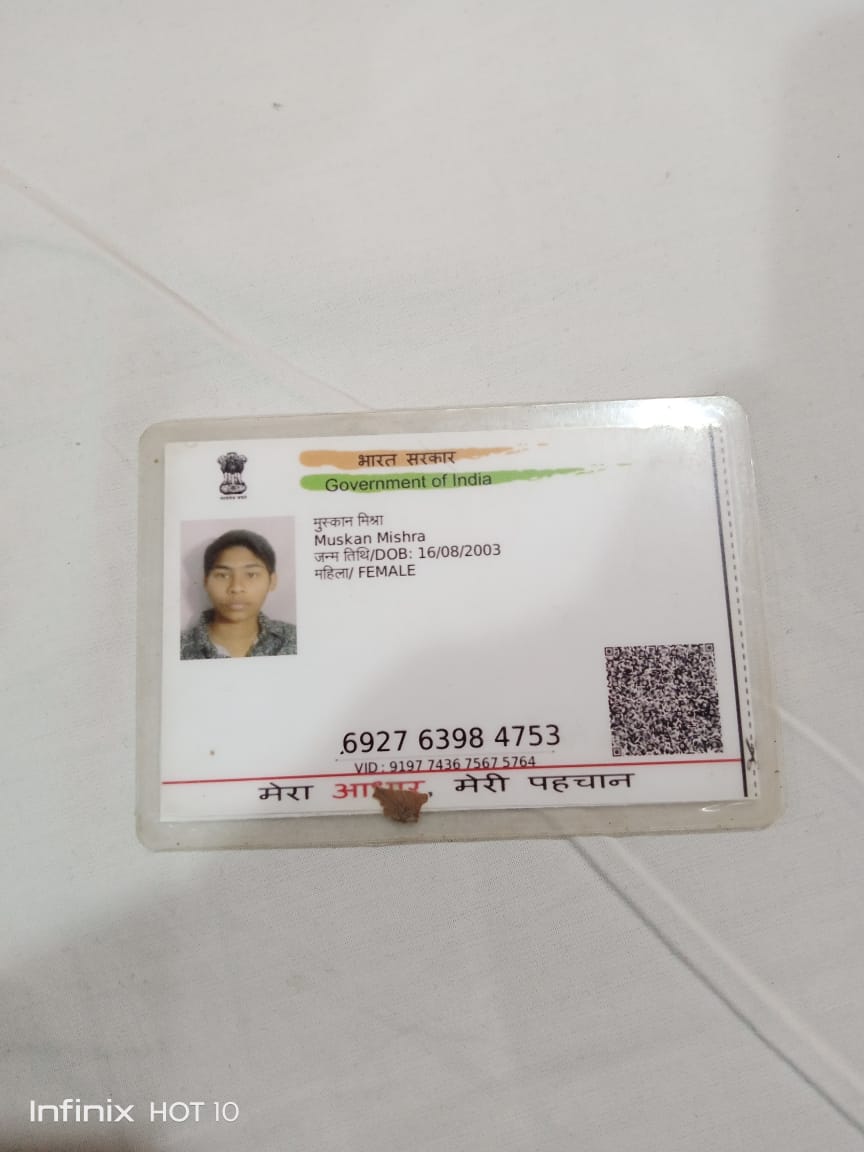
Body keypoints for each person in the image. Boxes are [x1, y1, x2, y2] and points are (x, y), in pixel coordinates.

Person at [181, 529, 297, 659]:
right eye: (223, 575)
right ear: (206, 582)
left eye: (251, 575)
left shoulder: (296, 640)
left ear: (272, 581)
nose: (236, 587)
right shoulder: (176, 649)